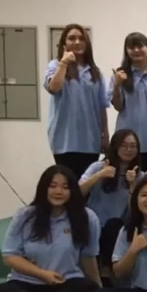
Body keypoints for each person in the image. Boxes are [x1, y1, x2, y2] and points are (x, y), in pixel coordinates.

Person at [0, 165, 101, 292]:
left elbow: (88, 257)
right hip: (26, 283)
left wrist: (99, 290)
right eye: (53, 186)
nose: (58, 191)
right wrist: (43, 274)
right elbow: (10, 256)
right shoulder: (25, 216)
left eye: (65, 187)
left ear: (73, 191)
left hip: (66, 283)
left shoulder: (88, 218)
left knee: (89, 289)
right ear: (43, 188)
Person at [45, 24, 109, 181]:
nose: (77, 42)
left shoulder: (95, 72)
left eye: (81, 38)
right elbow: (53, 87)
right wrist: (64, 63)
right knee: (68, 184)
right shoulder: (55, 65)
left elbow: (101, 107)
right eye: (72, 38)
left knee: (87, 184)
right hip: (64, 140)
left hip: (90, 140)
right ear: (64, 43)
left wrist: (105, 135)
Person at [79, 129, 141, 281]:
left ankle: (107, 272)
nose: (129, 150)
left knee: (114, 225)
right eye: (124, 145)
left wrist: (133, 186)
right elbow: (77, 192)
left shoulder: (139, 174)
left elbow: (136, 211)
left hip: (119, 226)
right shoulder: (97, 167)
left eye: (133, 146)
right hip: (93, 222)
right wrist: (99, 175)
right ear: (115, 147)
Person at [108, 32, 147, 172]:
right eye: (131, 47)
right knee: (125, 178)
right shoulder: (120, 75)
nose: (136, 50)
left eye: (140, 46)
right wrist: (117, 85)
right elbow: (118, 106)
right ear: (126, 51)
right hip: (126, 140)